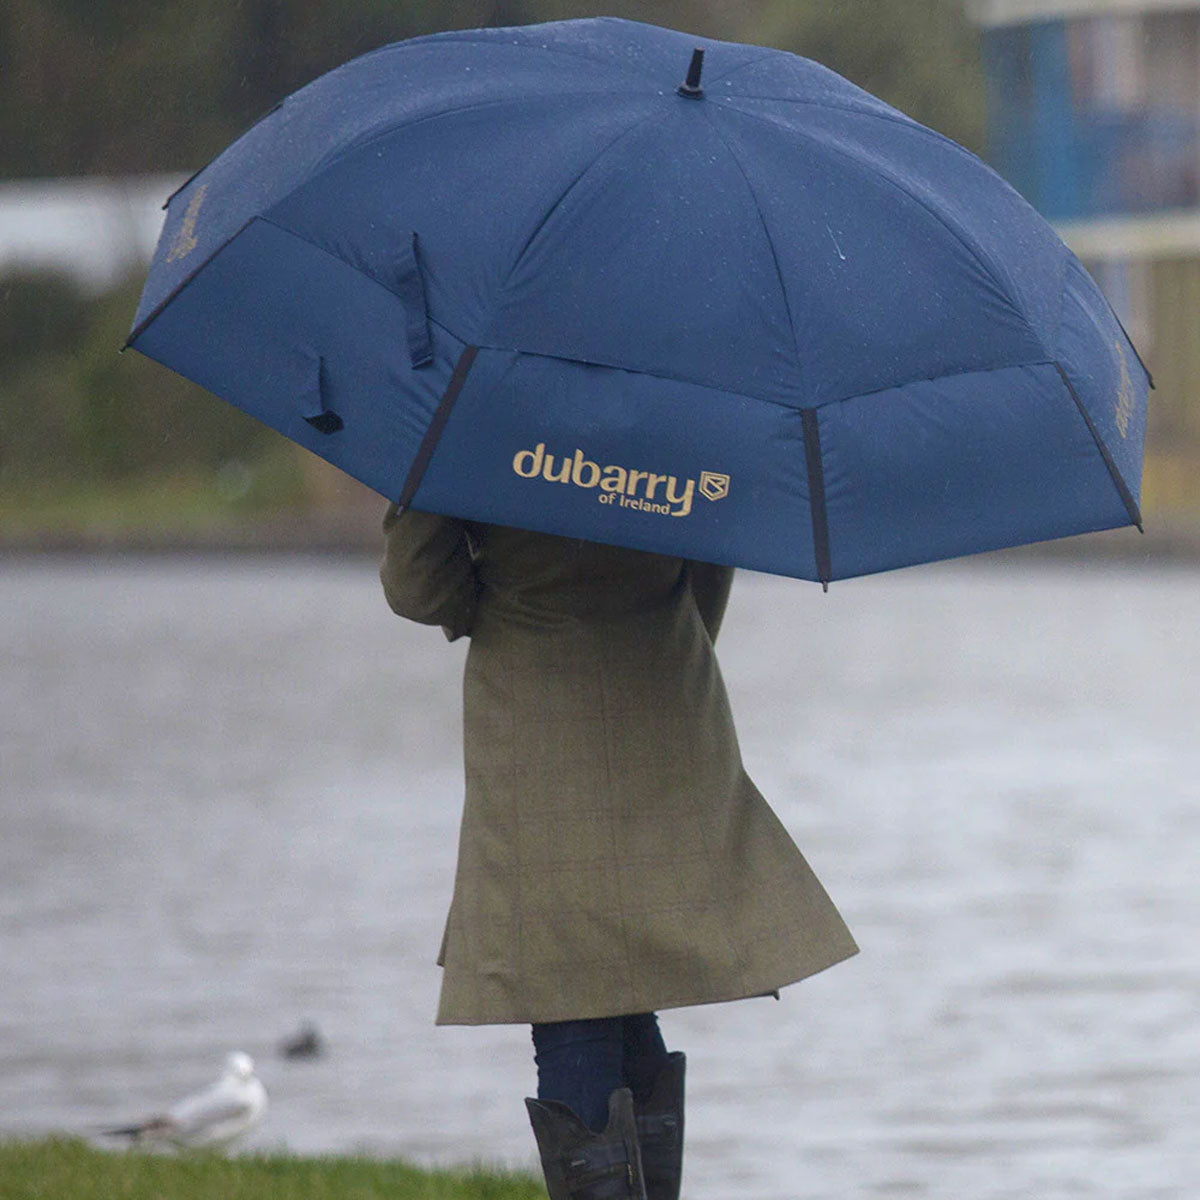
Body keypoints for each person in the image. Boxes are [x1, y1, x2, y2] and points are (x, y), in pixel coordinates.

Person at [380, 507, 858, 1200]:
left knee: (572, 990)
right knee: (619, 978)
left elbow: (422, 587)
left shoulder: (478, 411)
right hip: (666, 696)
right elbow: (710, 562)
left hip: (535, 711)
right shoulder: (685, 404)